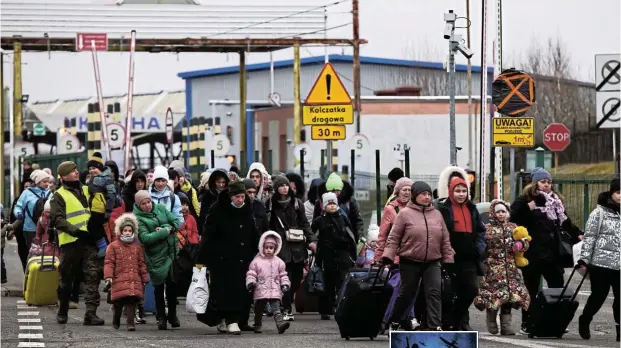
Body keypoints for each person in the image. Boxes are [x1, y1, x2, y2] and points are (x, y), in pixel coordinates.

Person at [510, 167, 583, 334]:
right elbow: (512, 218)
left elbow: (565, 222)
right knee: (531, 289)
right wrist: (528, 208)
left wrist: (578, 234)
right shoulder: (525, 200)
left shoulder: (555, 201)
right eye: (543, 182)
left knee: (557, 286)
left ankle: (555, 320)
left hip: (552, 253)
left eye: (549, 182)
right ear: (535, 183)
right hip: (533, 252)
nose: (547, 185)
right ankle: (527, 322)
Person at [382, 181, 454, 331]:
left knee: (434, 292)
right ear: (415, 196)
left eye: (429, 194)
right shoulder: (404, 214)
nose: (427, 197)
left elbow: (445, 239)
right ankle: (395, 322)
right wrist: (388, 256)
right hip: (409, 260)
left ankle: (435, 326)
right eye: (423, 194)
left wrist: (448, 258)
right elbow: (394, 237)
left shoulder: (437, 214)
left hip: (433, 261)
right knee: (407, 294)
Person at [197, 181, 260, 335]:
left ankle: (237, 320)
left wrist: (258, 249)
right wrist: (201, 259)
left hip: (242, 257)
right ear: (231, 196)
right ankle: (225, 319)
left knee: (240, 290)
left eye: (242, 197)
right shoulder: (218, 209)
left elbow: (252, 231)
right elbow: (208, 235)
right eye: (237, 197)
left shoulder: (247, 208)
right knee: (223, 291)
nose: (241, 200)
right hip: (221, 259)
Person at [51, 161, 104, 325]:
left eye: (75, 170)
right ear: (63, 176)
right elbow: (57, 220)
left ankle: (90, 314)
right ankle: (63, 311)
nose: (76, 173)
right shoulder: (58, 195)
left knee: (92, 276)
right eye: (72, 171)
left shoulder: (87, 190)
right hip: (71, 243)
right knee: (67, 280)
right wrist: (76, 231)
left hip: (88, 241)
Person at [436, 175, 486, 331]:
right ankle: (451, 322)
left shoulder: (472, 208)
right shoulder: (444, 209)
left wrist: (479, 248)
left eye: (464, 191)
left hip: (470, 257)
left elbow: (480, 231)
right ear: (451, 192)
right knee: (450, 292)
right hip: (451, 258)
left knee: (471, 290)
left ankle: (458, 320)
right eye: (457, 190)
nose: (461, 194)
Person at [474, 200, 530, 335]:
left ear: (507, 213)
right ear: (492, 213)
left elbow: (525, 241)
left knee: (509, 297)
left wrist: (521, 245)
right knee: (493, 296)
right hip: (493, 269)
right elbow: (481, 245)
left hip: (510, 269)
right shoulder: (487, 228)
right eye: (498, 211)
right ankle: (491, 320)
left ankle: (506, 325)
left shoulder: (514, 227)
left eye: (503, 211)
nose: (501, 214)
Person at [577, 177, 620, 342]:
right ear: (611, 193)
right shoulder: (599, 212)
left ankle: (619, 329)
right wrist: (584, 259)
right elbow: (589, 237)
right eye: (618, 192)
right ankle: (585, 319)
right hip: (600, 263)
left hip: (619, 264)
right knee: (598, 296)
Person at [267, 175, 314, 322]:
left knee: (297, 278)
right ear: (276, 188)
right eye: (281, 185)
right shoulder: (271, 203)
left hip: (297, 246)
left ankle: (284, 300)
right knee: (284, 277)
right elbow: (267, 225)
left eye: (286, 185)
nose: (285, 188)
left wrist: (312, 240)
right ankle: (286, 308)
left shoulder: (297, 203)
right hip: (281, 246)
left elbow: (305, 223)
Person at [133, 190, 180, 330]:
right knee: (158, 287)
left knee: (172, 285)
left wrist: (166, 228)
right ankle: (161, 317)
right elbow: (145, 238)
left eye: (148, 202)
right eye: (143, 204)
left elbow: (176, 222)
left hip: (171, 253)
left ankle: (172, 314)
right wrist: (162, 232)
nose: (147, 205)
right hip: (155, 256)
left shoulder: (160, 208)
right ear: (138, 205)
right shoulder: (138, 218)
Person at [311, 192, 357, 320]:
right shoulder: (320, 220)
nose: (332, 206)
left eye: (333, 203)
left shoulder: (343, 218)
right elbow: (312, 234)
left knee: (342, 282)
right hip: (326, 256)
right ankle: (325, 310)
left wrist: (352, 254)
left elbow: (350, 235)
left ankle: (341, 308)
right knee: (327, 284)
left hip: (342, 255)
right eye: (329, 203)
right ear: (324, 206)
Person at [104, 213, 149, 331]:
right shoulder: (113, 247)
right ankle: (116, 318)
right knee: (118, 303)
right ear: (120, 231)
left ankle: (130, 323)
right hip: (119, 279)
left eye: (130, 230)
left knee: (131, 302)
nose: (128, 233)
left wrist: (144, 277)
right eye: (125, 230)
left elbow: (141, 264)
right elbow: (109, 263)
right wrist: (108, 276)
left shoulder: (137, 247)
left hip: (133, 279)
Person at [246, 231, 292, 334]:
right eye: (266, 248)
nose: (268, 250)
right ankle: (257, 324)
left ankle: (280, 324)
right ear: (262, 247)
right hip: (261, 290)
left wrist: (285, 284)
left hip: (274, 290)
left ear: (275, 248)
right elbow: (251, 273)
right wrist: (251, 282)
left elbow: (283, 275)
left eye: (271, 248)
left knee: (276, 309)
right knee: (259, 309)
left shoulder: (279, 262)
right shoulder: (257, 261)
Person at [13, 169, 52, 270]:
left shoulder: (50, 193)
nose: (47, 184)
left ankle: (44, 278)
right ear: (37, 182)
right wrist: (19, 214)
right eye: (45, 181)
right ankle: (32, 276)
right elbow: (18, 206)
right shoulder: (27, 193)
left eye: (48, 181)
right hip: (30, 229)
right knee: (34, 255)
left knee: (47, 254)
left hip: (47, 229)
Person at [312, 173, 363, 244]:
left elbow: (358, 221)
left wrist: (360, 237)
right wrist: (314, 241)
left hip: (346, 240)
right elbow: (315, 223)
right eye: (332, 191)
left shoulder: (350, 201)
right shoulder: (320, 202)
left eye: (337, 190)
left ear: (341, 189)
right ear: (327, 190)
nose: (335, 193)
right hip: (325, 241)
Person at [375, 177, 413, 264]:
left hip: (414, 256)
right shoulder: (390, 209)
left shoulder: (415, 208)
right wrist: (378, 257)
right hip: (397, 257)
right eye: (404, 190)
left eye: (409, 190)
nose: (407, 193)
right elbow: (382, 235)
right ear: (398, 192)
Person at [198, 168, 230, 235]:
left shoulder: (230, 195)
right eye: (219, 182)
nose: (221, 185)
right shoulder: (207, 195)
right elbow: (203, 215)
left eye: (223, 182)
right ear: (214, 182)